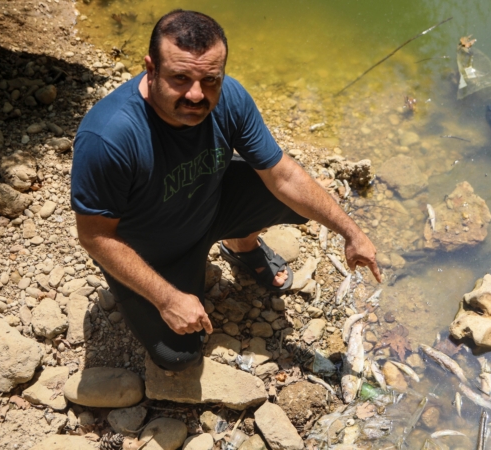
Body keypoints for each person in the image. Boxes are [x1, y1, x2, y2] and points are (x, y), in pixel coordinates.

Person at [71, 9, 381, 372]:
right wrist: (167, 298)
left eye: (210, 80)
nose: (196, 95)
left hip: (208, 206)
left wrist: (351, 232)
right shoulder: (109, 137)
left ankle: (240, 244)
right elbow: (95, 238)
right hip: (153, 251)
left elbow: (282, 174)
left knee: (296, 200)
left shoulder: (230, 97)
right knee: (179, 356)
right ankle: (161, 285)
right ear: (151, 68)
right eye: (180, 78)